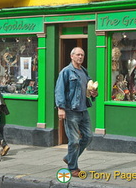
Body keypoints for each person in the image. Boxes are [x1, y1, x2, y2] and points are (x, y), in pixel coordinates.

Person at [55, 47, 98, 177]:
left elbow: (88, 89)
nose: (80, 57)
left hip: (83, 110)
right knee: (73, 140)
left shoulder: (84, 72)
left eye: (82, 55)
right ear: (72, 56)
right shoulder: (66, 72)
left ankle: (69, 157)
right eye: (78, 55)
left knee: (88, 137)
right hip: (71, 110)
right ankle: (72, 167)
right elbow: (59, 90)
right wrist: (61, 108)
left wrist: (94, 93)